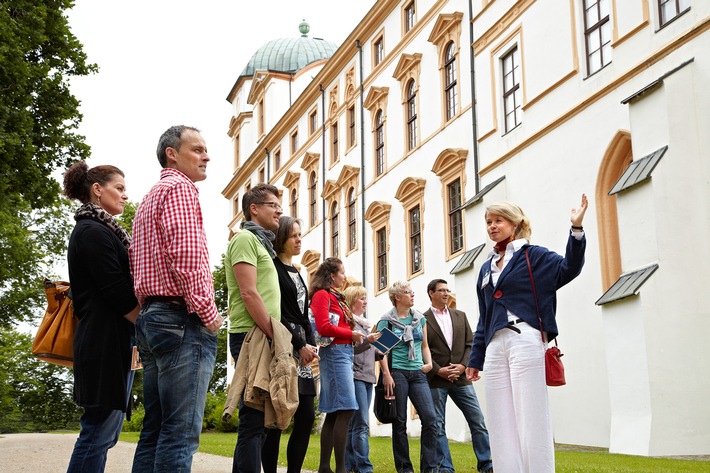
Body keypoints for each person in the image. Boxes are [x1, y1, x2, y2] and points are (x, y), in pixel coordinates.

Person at [465, 195, 588, 473]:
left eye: (498, 220)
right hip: (496, 345)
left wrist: (576, 230)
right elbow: (484, 316)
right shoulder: (486, 267)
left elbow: (570, 268)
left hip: (525, 337)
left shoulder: (535, 255)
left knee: (531, 415)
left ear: (515, 223)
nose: (492, 226)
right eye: (488, 222)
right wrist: (475, 359)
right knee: (500, 419)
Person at [130, 125, 223, 472]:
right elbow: (186, 254)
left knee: (155, 429)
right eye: (197, 149)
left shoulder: (150, 196)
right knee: (180, 433)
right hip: (181, 319)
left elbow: (137, 264)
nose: (207, 156)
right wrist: (207, 311)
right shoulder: (181, 189)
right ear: (172, 153)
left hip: (152, 318)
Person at [63, 161, 140, 473]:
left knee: (106, 433)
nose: (125, 196)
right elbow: (116, 291)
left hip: (116, 340)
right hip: (103, 341)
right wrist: (146, 325)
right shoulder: (91, 231)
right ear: (97, 190)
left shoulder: (105, 230)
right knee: (97, 431)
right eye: (118, 188)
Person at [225, 183, 283, 473]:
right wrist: (274, 335)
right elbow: (249, 293)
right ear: (254, 209)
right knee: (253, 422)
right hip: (253, 336)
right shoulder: (245, 239)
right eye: (273, 204)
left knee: (258, 424)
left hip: (263, 335)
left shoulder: (262, 244)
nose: (280, 210)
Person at [261, 216, 319, 473]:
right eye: (294, 235)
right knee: (277, 415)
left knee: (306, 416)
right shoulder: (272, 267)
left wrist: (311, 344)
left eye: (300, 234)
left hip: (303, 348)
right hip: (283, 344)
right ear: (281, 237)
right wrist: (299, 343)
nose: (299, 240)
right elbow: (276, 311)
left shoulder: (297, 271)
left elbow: (304, 312)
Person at [423, 279, 492, 473]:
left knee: (477, 420)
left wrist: (463, 366)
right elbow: (422, 349)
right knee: (438, 426)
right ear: (431, 293)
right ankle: (445, 467)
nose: (446, 293)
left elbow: (471, 344)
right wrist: (438, 370)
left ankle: (486, 464)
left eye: (447, 290)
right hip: (437, 380)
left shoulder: (460, 316)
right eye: (441, 290)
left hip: (461, 379)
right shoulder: (421, 319)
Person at [376, 281, 439, 473]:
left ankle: (428, 468)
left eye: (412, 291)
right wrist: (386, 374)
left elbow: (424, 345)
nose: (412, 295)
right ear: (397, 297)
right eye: (408, 292)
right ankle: (405, 468)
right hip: (398, 373)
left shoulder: (419, 319)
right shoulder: (387, 320)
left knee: (430, 419)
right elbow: (382, 350)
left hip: (418, 373)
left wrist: (428, 364)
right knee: (400, 421)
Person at [310, 258, 364, 473]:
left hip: (344, 353)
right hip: (334, 354)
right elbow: (323, 327)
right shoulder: (322, 295)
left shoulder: (337, 297)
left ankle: (326, 467)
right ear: (332, 275)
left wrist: (357, 337)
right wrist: (351, 333)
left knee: (335, 411)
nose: (344, 277)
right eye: (342, 273)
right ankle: (340, 468)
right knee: (347, 408)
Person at [343, 286, 381, 473]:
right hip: (356, 376)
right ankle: (364, 467)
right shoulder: (349, 325)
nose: (365, 302)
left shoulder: (365, 325)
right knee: (361, 424)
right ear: (351, 301)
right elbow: (350, 351)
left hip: (368, 378)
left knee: (354, 425)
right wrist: (369, 342)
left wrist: (379, 353)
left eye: (366, 298)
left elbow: (366, 352)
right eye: (361, 299)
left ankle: (351, 466)